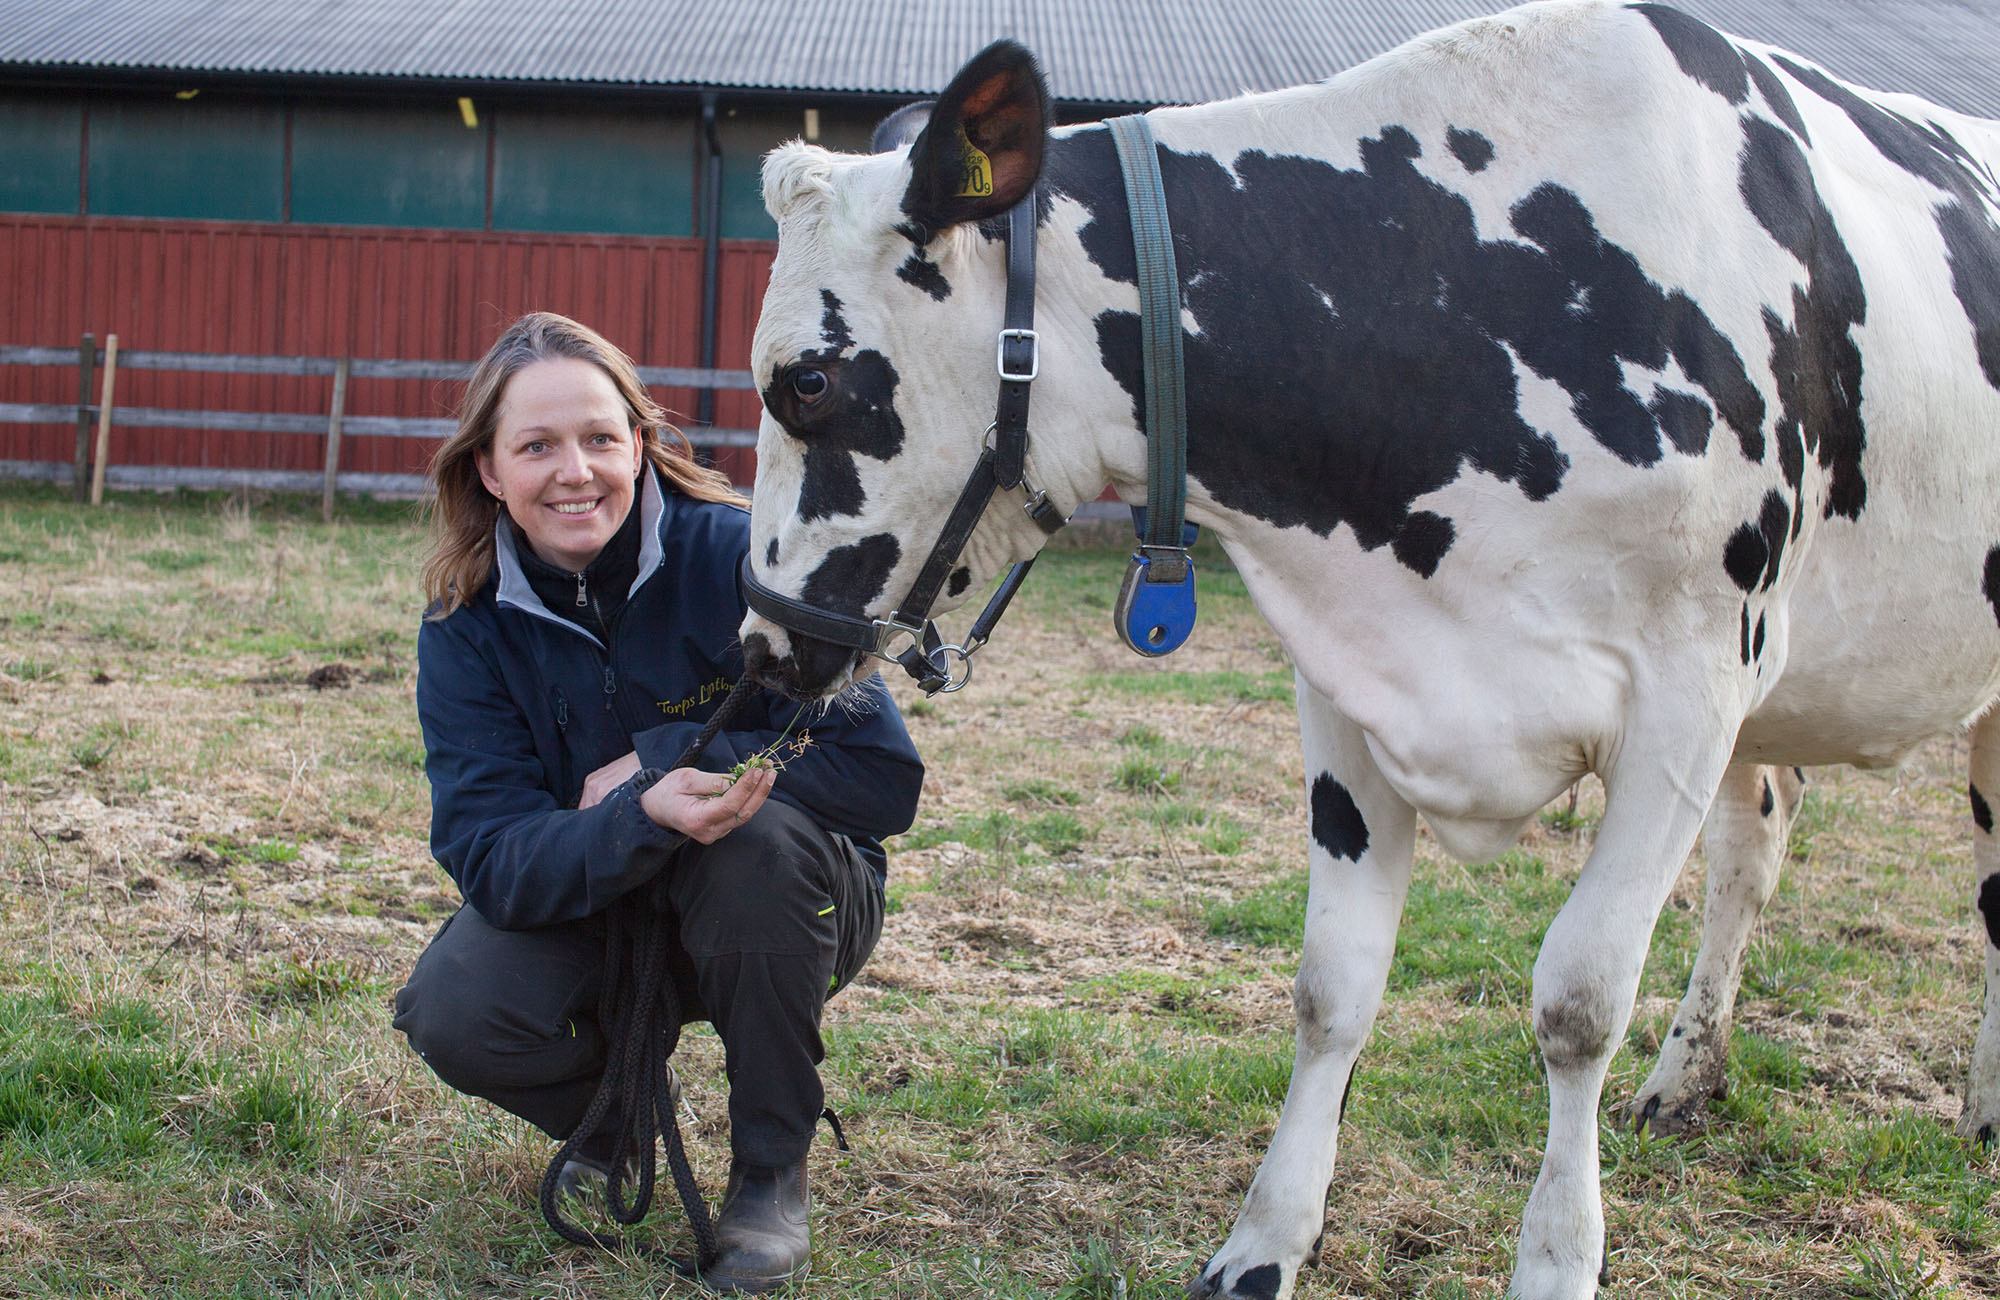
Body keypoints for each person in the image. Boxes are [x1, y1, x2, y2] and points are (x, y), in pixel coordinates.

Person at [393, 311, 923, 1294]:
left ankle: (769, 1173)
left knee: (749, 843)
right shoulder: (465, 629)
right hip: (606, 897)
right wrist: (635, 815)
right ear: (488, 471)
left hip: (790, 907)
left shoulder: (741, 559)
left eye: (600, 437)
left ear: (640, 444)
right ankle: (617, 1114)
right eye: (537, 446)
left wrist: (665, 759)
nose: (575, 471)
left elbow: (882, 775)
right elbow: (491, 856)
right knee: (454, 1009)